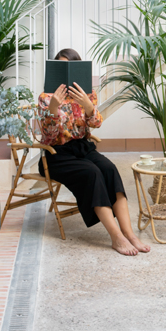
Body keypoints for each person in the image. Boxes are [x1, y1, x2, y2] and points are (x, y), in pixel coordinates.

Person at [37, 48, 150, 256]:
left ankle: (130, 234)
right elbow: (48, 135)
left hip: (83, 148)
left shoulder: (87, 95)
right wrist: (53, 108)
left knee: (110, 169)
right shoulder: (46, 98)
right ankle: (116, 237)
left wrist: (88, 105)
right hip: (56, 154)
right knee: (92, 173)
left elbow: (96, 123)